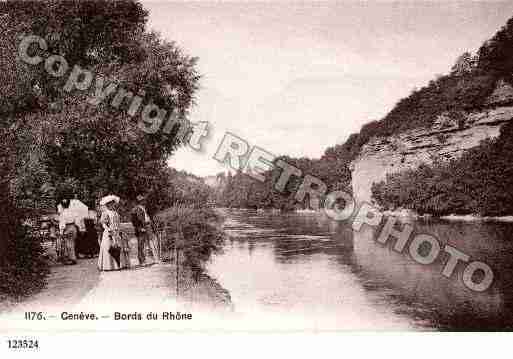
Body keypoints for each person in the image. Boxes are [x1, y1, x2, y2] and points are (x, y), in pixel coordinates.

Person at [97, 197, 130, 271]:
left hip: (116, 232)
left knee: (118, 247)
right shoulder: (105, 213)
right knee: (109, 247)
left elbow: (118, 223)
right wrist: (108, 229)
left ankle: (118, 264)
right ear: (107, 205)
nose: (112, 205)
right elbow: (103, 224)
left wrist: (120, 230)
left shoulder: (115, 212)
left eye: (113, 203)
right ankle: (108, 266)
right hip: (109, 232)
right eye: (110, 204)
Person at [131, 194, 159, 266]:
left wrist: (152, 226)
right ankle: (142, 261)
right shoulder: (135, 209)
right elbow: (134, 221)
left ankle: (155, 259)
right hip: (142, 228)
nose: (144, 201)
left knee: (152, 242)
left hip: (148, 226)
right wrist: (140, 228)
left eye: (144, 200)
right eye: (142, 200)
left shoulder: (145, 208)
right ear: (139, 201)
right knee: (141, 245)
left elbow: (149, 217)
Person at [58, 199, 78, 265]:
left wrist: (61, 232)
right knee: (72, 242)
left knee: (68, 243)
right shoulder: (72, 212)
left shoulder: (63, 213)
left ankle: (71, 258)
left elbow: (62, 224)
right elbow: (76, 220)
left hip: (67, 227)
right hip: (73, 227)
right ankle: (72, 257)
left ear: (62, 205)